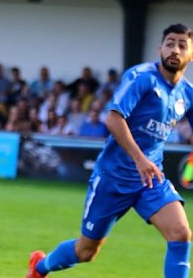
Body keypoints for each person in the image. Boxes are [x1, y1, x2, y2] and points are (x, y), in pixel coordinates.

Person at [27, 23, 193, 278]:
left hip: (150, 178)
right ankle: (40, 268)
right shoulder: (142, 78)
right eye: (170, 43)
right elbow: (113, 119)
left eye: (182, 45)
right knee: (86, 251)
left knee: (180, 233)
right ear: (160, 48)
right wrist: (139, 159)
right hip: (113, 178)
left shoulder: (187, 93)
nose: (175, 49)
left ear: (190, 55)